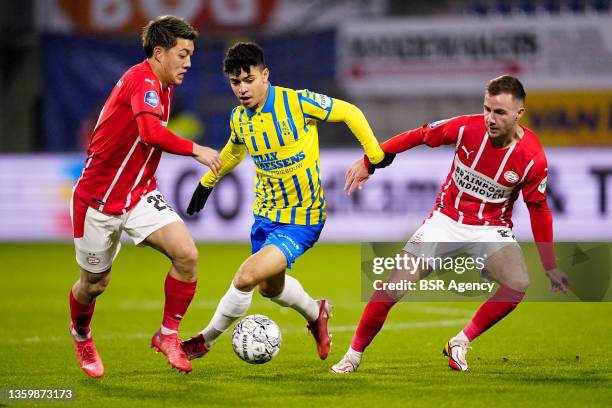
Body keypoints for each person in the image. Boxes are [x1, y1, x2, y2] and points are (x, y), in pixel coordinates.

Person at [330, 75, 570, 373]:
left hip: (489, 229)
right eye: (487, 109)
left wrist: (550, 264)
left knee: (518, 283)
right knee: (392, 287)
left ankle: (461, 341)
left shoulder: (532, 158)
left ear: (519, 113)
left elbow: (539, 209)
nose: (490, 119)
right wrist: (370, 161)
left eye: (500, 113)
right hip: (444, 221)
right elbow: (418, 135)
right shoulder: (466, 128)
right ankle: (352, 357)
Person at [179, 42, 393, 362]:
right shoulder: (239, 118)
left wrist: (374, 156)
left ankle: (204, 341)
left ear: (265, 75)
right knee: (269, 289)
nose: (242, 88)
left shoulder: (297, 102)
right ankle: (316, 313)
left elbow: (350, 112)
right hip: (265, 216)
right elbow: (236, 149)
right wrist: (208, 182)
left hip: (302, 218)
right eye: (236, 82)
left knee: (246, 277)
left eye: (249, 80)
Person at [68, 15, 222, 377]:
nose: (188, 63)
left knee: (186, 255)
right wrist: (196, 149)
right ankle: (81, 333)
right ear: (158, 52)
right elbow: (151, 133)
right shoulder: (143, 81)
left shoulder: (165, 87)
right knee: (94, 285)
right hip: (98, 200)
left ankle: (167, 335)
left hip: (139, 195)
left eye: (190, 55)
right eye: (182, 54)